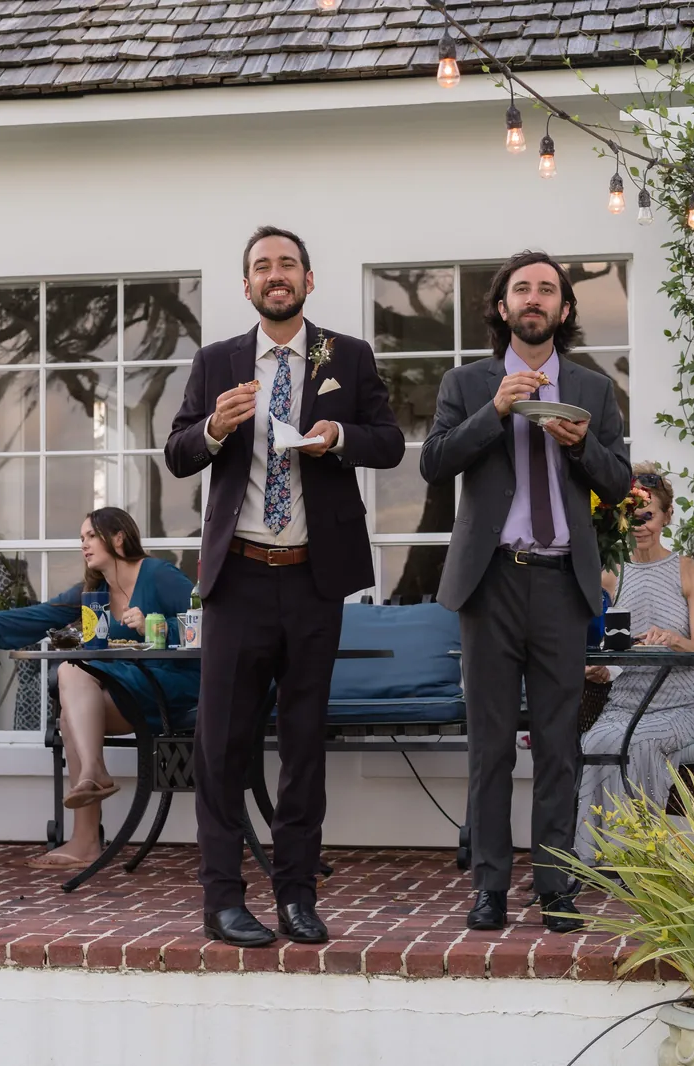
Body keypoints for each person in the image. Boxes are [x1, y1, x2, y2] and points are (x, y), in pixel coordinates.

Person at [164, 225, 405, 948]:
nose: (276, 275)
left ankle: (298, 894)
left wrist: (341, 439)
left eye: (288, 265)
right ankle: (223, 898)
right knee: (222, 746)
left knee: (304, 745)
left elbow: (390, 441)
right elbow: (177, 454)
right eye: (262, 266)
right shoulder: (217, 362)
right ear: (246, 286)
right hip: (236, 578)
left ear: (307, 279)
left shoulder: (346, 357)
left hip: (312, 579)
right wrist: (211, 427)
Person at [421, 250, 630, 934]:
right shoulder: (467, 381)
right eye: (522, 289)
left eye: (548, 289)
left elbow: (619, 483)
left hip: (562, 585)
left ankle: (556, 886)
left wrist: (579, 445)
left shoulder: (594, 391)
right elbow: (434, 462)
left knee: (558, 744)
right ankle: (488, 888)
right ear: (502, 306)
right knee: (490, 746)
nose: (534, 299)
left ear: (565, 310)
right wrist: (494, 411)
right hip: (490, 583)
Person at [0, 507, 197, 871]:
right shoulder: (94, 592)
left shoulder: (158, 575)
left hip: (174, 687)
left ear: (118, 537)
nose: (83, 544)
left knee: (70, 681)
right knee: (70, 704)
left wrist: (155, 624)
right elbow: (36, 616)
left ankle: (88, 815)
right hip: (132, 692)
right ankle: (88, 817)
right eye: (81, 538)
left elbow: (208, 620)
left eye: (91, 536)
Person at [574, 465, 694, 862]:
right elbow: (610, 644)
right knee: (595, 742)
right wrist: (601, 668)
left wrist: (674, 639)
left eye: (648, 516)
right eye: (632, 517)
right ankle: (594, 857)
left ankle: (634, 855)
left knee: (641, 743)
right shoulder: (611, 573)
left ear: (667, 516)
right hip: (624, 703)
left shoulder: (689, 571)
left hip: (683, 706)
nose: (640, 526)